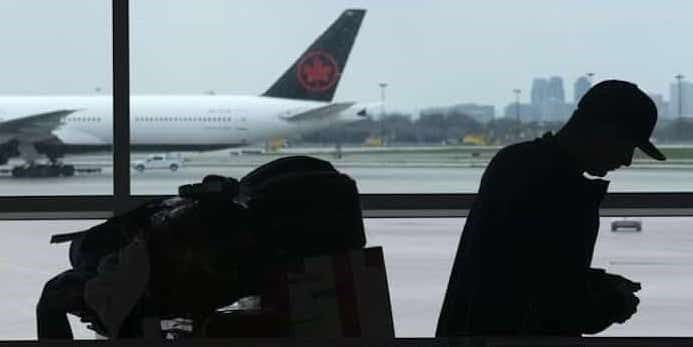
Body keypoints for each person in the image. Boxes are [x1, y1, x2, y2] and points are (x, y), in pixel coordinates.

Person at [436, 80, 665, 337]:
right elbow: (558, 310)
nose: (627, 160)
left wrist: (594, 283)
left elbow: (522, 271)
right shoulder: (567, 194)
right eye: (627, 145)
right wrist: (617, 303)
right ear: (603, 130)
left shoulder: (511, 162)